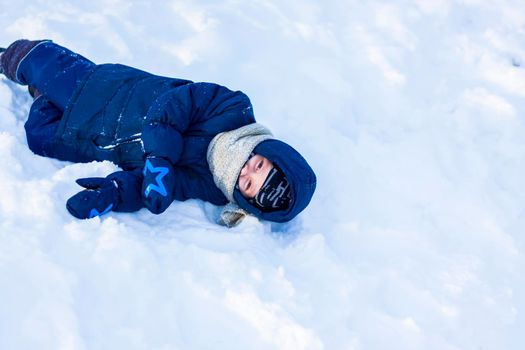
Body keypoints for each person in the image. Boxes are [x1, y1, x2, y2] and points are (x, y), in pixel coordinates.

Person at [0, 39, 316, 227]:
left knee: (39, 138)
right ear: (272, 152)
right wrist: (161, 156)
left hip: (101, 140)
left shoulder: (213, 184)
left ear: (245, 200)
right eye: (259, 165)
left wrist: (115, 193)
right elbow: (175, 103)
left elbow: (163, 184)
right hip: (108, 92)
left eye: (248, 184)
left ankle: (42, 95)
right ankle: (9, 58)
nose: (246, 170)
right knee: (37, 62)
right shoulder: (233, 109)